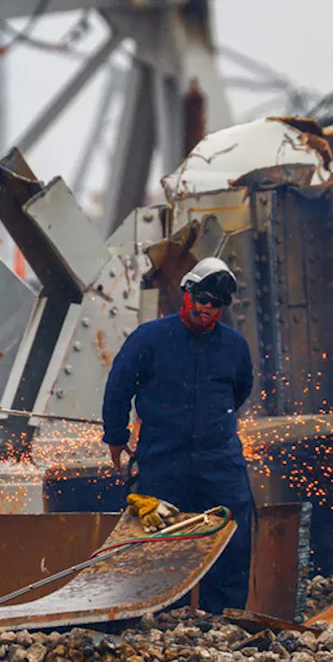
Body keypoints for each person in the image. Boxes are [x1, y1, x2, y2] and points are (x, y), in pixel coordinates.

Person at [100, 257, 256, 614]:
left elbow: (240, 391)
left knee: (229, 538)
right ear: (186, 294)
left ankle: (224, 620)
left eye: (215, 304)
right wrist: (115, 435)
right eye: (201, 299)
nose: (206, 309)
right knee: (164, 541)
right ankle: (166, 618)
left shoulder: (233, 346)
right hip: (164, 460)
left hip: (220, 461)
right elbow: (119, 386)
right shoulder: (150, 339)